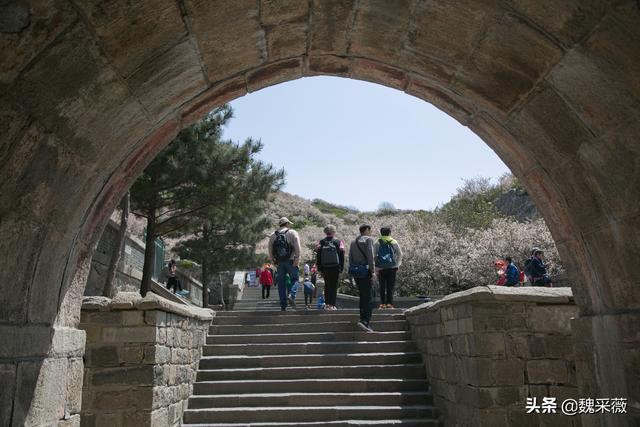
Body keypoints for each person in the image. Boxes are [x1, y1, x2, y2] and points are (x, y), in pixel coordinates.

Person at [268, 217, 302, 311]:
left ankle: (283, 306)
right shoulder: (292, 232)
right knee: (295, 279)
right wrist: (297, 257)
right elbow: (297, 246)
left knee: (281, 284)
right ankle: (291, 294)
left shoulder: (273, 235)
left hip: (279, 262)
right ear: (287, 224)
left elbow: (270, 249)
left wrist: (272, 261)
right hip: (291, 261)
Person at [349, 224, 376, 332]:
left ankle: (362, 318)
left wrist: (351, 271)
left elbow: (350, 257)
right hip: (366, 271)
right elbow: (370, 256)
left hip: (356, 272)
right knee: (368, 296)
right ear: (367, 230)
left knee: (362, 295)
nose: (370, 232)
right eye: (370, 230)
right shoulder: (368, 240)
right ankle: (365, 321)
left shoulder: (353, 242)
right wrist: (373, 271)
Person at [316, 224, 345, 310]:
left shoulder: (321, 242)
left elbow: (318, 256)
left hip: (325, 267)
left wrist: (320, 268)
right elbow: (342, 255)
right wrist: (341, 267)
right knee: (334, 285)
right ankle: (332, 305)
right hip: (335, 267)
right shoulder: (338, 242)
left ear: (325, 232)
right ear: (333, 231)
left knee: (327, 285)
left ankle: (327, 304)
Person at [374, 226, 402, 309]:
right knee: (390, 287)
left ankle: (382, 304)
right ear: (390, 233)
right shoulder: (394, 241)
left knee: (382, 286)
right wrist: (397, 264)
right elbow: (400, 254)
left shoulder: (377, 242)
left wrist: (376, 267)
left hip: (381, 268)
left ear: (381, 233)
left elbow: (374, 255)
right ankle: (389, 304)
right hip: (392, 267)